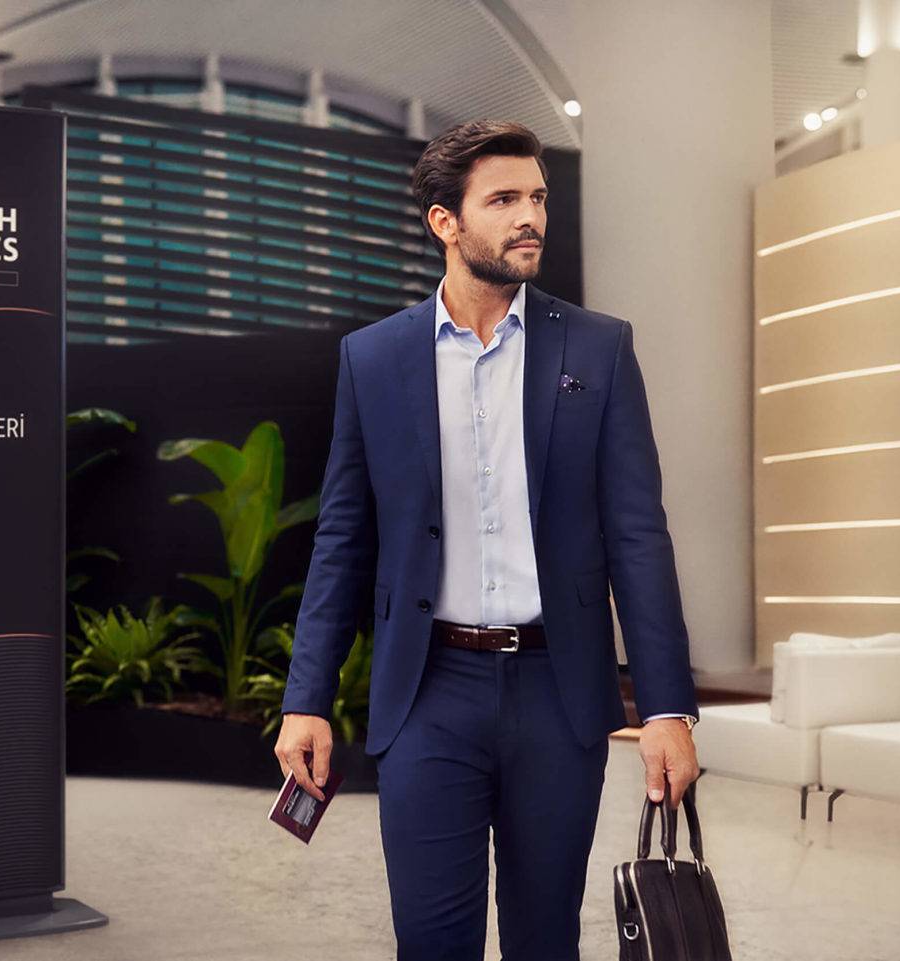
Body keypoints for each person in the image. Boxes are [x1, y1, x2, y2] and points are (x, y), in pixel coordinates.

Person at [274, 119, 701, 961]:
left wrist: (665, 706)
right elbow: (342, 539)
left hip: (559, 692)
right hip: (429, 690)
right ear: (446, 221)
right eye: (503, 199)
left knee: (545, 939)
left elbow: (639, 536)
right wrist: (306, 696)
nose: (528, 216)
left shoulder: (599, 348)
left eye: (536, 196)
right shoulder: (375, 358)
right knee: (432, 941)